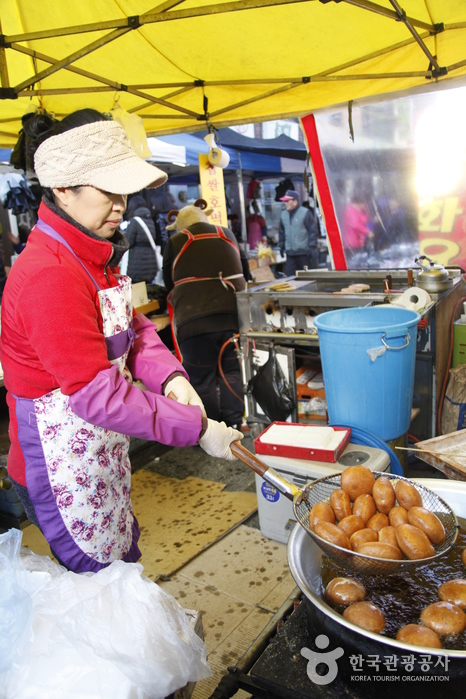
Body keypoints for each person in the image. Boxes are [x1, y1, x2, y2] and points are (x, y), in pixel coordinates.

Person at [0, 108, 243, 574]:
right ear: (62, 189)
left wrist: (172, 378)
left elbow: (133, 331)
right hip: (59, 467)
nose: (121, 204)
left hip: (101, 450)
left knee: (122, 569)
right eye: (106, 190)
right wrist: (197, 428)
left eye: (123, 191)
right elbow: (97, 394)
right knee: (101, 592)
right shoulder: (49, 275)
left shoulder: (93, 256)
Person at [163, 200, 246, 430]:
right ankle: (233, 426)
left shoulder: (176, 241)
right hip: (233, 318)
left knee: (201, 379)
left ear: (180, 227)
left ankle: (211, 430)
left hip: (194, 321)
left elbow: (168, 283)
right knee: (231, 373)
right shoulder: (227, 234)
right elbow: (245, 270)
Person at [278, 189, 318, 276]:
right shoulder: (283, 215)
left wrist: (312, 247)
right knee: (291, 276)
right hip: (290, 253)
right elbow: (281, 232)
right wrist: (281, 246)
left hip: (303, 253)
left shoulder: (305, 213)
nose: (285, 203)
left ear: (295, 201)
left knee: (306, 277)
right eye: (285, 201)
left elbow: (312, 231)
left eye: (287, 201)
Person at [122, 194, 159, 283]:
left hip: (137, 263)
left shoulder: (134, 221)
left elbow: (128, 242)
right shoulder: (150, 220)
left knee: (138, 291)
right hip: (150, 262)